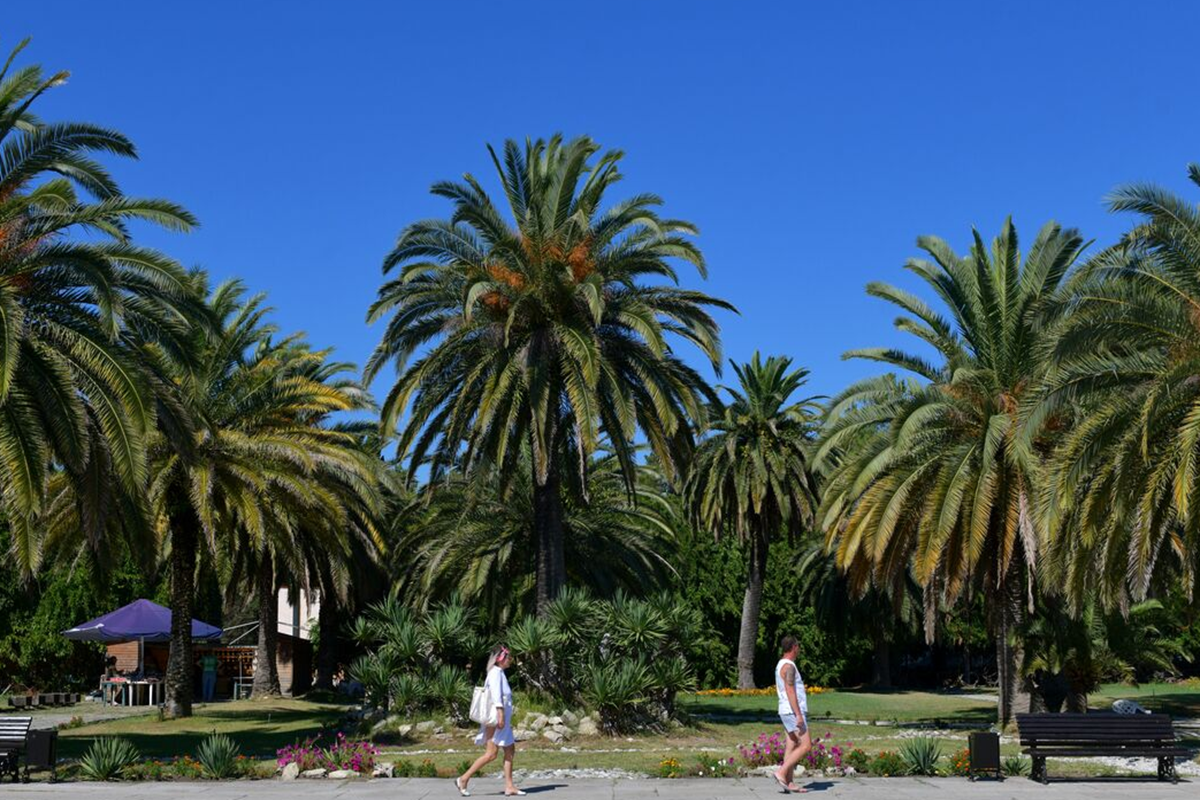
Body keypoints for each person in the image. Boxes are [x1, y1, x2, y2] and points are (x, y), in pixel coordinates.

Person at [455, 645, 524, 797]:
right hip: (497, 720)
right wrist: (500, 714)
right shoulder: (495, 673)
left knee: (509, 750)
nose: (510, 660)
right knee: (491, 753)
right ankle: (463, 779)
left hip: (502, 720)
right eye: (508, 657)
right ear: (500, 659)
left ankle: (509, 786)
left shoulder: (499, 673)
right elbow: (496, 695)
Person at [773, 635, 812, 793]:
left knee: (792, 744)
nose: (799, 649)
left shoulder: (781, 664)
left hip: (786, 710)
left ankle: (788, 782)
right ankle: (781, 772)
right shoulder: (789, 666)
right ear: (794, 647)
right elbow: (790, 691)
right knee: (806, 745)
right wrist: (798, 715)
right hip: (792, 711)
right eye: (798, 646)